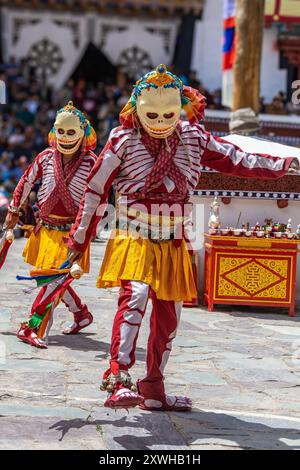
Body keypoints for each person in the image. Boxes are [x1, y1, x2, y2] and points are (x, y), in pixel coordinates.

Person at [67, 65, 299, 411]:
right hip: (135, 234)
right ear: (136, 107)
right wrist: (78, 240)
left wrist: (286, 163)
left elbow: (239, 159)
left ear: (180, 108)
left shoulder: (194, 137)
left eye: (168, 114)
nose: (160, 121)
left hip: (174, 238)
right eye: (152, 114)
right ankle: (118, 378)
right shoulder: (122, 139)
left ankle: (154, 388)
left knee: (169, 318)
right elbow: (96, 189)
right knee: (135, 298)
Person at [5, 101, 97, 348]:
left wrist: (88, 230)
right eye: (61, 131)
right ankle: (80, 314)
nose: (65, 138)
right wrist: (14, 210)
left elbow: (97, 197)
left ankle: (33, 325)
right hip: (45, 229)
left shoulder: (91, 162)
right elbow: (26, 181)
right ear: (54, 131)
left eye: (71, 132)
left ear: (83, 132)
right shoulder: (46, 156)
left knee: (53, 279)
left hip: (71, 234)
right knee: (53, 278)